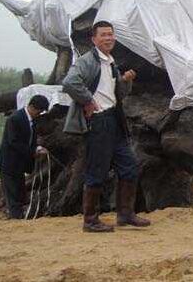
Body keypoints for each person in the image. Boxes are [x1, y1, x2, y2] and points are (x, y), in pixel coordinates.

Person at [62, 20, 150, 233]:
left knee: (128, 164)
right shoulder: (87, 61)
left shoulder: (110, 62)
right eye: (103, 35)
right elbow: (70, 82)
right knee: (97, 169)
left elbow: (117, 94)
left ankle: (125, 214)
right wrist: (88, 101)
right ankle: (90, 219)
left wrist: (126, 81)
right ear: (94, 39)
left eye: (111, 34)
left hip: (114, 119)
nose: (108, 38)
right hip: (98, 121)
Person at [0, 95, 50, 219]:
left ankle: (18, 215)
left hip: (20, 164)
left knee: (20, 190)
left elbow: (31, 140)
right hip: (8, 162)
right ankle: (16, 218)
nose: (39, 114)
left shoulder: (32, 121)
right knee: (12, 192)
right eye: (39, 111)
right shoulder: (15, 119)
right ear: (32, 107)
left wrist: (37, 147)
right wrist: (33, 152)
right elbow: (13, 142)